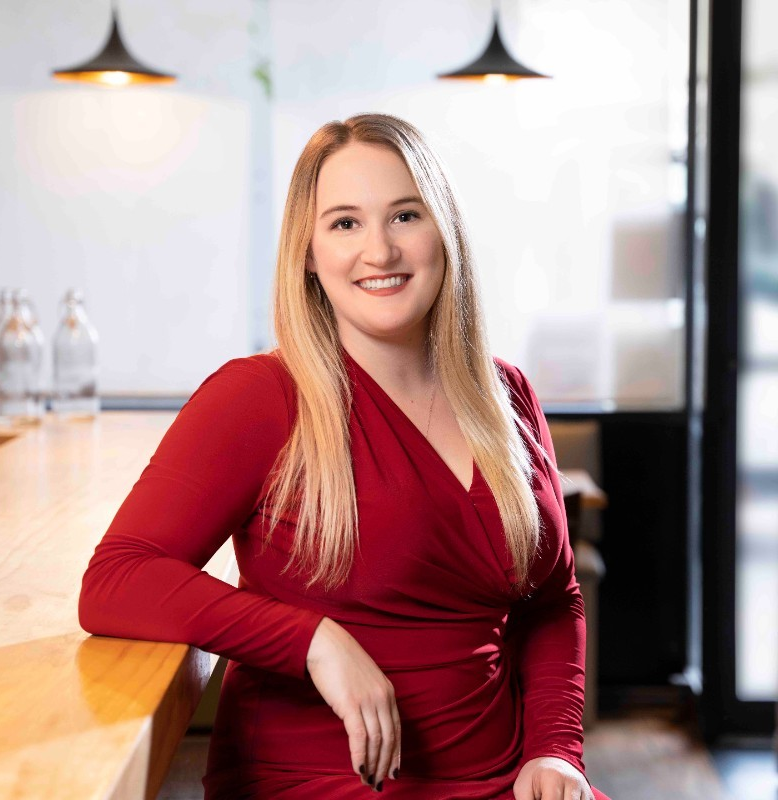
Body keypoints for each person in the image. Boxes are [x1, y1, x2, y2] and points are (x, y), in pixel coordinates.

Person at [78, 112, 612, 800]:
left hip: (512, 776)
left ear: (444, 230)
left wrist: (556, 750)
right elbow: (118, 578)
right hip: (318, 779)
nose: (379, 251)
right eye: (345, 223)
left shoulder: (506, 393)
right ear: (308, 252)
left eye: (405, 216)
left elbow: (553, 601)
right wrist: (312, 641)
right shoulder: (257, 397)